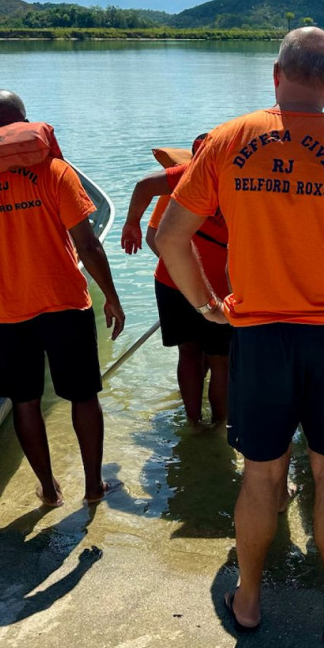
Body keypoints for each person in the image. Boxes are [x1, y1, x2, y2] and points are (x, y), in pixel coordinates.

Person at [155, 28, 324, 640]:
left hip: (257, 337)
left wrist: (207, 306)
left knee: (261, 476)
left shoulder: (229, 140)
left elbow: (168, 236)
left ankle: (249, 602)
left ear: (275, 74)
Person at [0, 90, 126, 508]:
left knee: (25, 402)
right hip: (65, 305)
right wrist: (112, 297)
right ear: (24, 122)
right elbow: (88, 245)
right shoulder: (54, 171)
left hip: (7, 313)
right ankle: (93, 487)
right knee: (83, 396)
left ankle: (50, 491)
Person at [120, 134, 232, 429]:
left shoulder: (184, 179)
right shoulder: (243, 179)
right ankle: (220, 426)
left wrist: (131, 222)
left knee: (189, 353)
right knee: (221, 360)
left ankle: (194, 422)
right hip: (220, 289)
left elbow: (154, 232)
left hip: (172, 282)